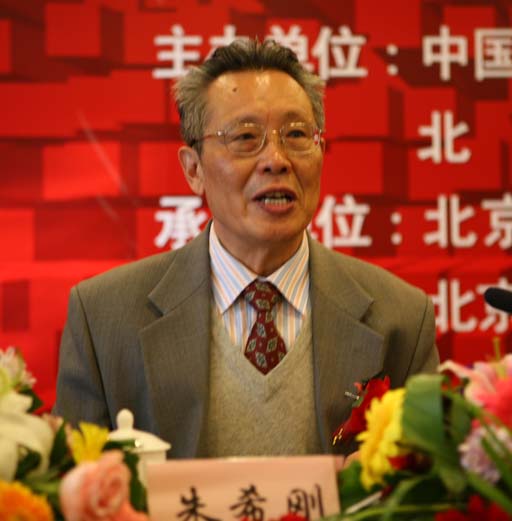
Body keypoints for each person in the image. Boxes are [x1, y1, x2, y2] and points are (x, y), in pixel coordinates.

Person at [54, 39, 438, 459]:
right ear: (194, 170)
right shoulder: (104, 317)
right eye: (245, 137)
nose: (276, 160)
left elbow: (427, 480)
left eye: (296, 135)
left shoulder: (401, 317)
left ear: (321, 153)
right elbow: (75, 485)